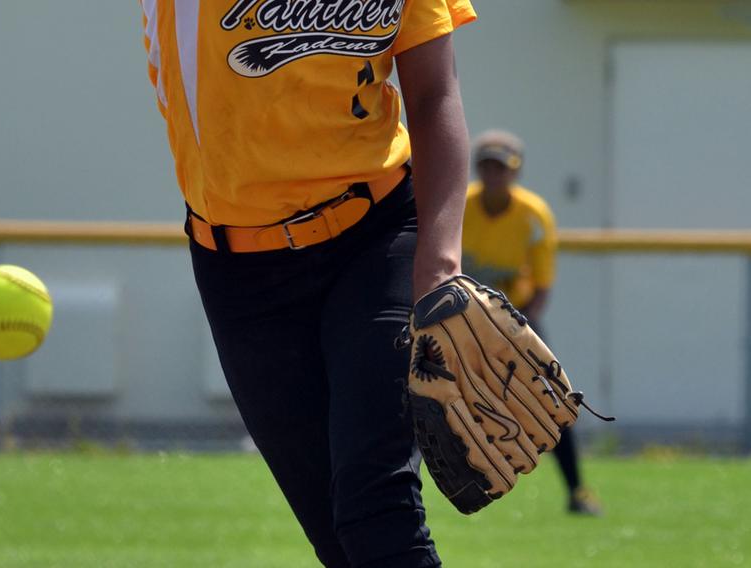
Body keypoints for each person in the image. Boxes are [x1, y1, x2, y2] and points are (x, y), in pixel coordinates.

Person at [139, 1, 476, 566]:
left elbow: (433, 94)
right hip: (242, 274)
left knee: (377, 510)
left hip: (377, 236)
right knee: (337, 539)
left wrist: (440, 265)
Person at [461, 129, 603, 516]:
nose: (494, 174)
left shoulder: (533, 215)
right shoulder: (460, 206)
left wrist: (518, 334)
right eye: (487, 165)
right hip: (460, 319)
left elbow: (541, 289)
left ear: (515, 171)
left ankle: (577, 492)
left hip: (515, 318)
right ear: (476, 168)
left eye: (501, 167)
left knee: (553, 401)